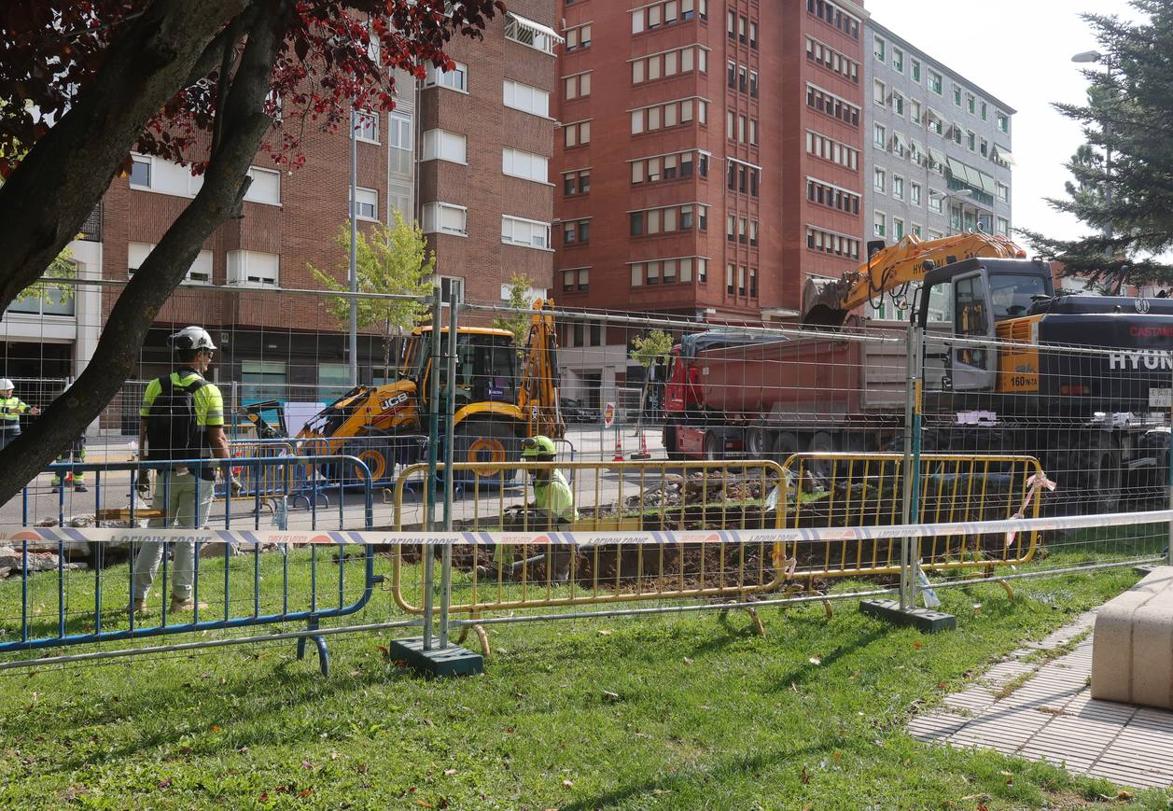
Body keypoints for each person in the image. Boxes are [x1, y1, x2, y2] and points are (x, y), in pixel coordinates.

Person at [131, 326, 230, 615]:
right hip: (199, 475)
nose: (210, 359)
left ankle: (137, 600)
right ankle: (181, 599)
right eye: (208, 353)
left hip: (163, 472)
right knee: (189, 536)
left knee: (154, 534)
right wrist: (231, 472)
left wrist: (143, 470)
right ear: (198, 354)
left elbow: (144, 430)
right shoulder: (210, 391)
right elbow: (217, 437)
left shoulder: (154, 385)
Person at [499, 435, 578, 582]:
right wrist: (527, 507)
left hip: (562, 527)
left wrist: (519, 519)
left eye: (531, 460)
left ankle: (558, 584)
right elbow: (543, 504)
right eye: (527, 460)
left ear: (544, 460)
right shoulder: (541, 476)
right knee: (509, 523)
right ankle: (500, 569)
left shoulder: (554, 485)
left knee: (557, 567)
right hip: (551, 519)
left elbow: (547, 519)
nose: (527, 464)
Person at [0, 378, 41, 450]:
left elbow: (23, 407)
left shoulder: (16, 400)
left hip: (16, 435)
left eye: (10, 389)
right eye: (6, 390)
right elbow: (1, 409)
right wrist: (11, 410)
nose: (9, 391)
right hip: (2, 437)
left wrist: (30, 410)